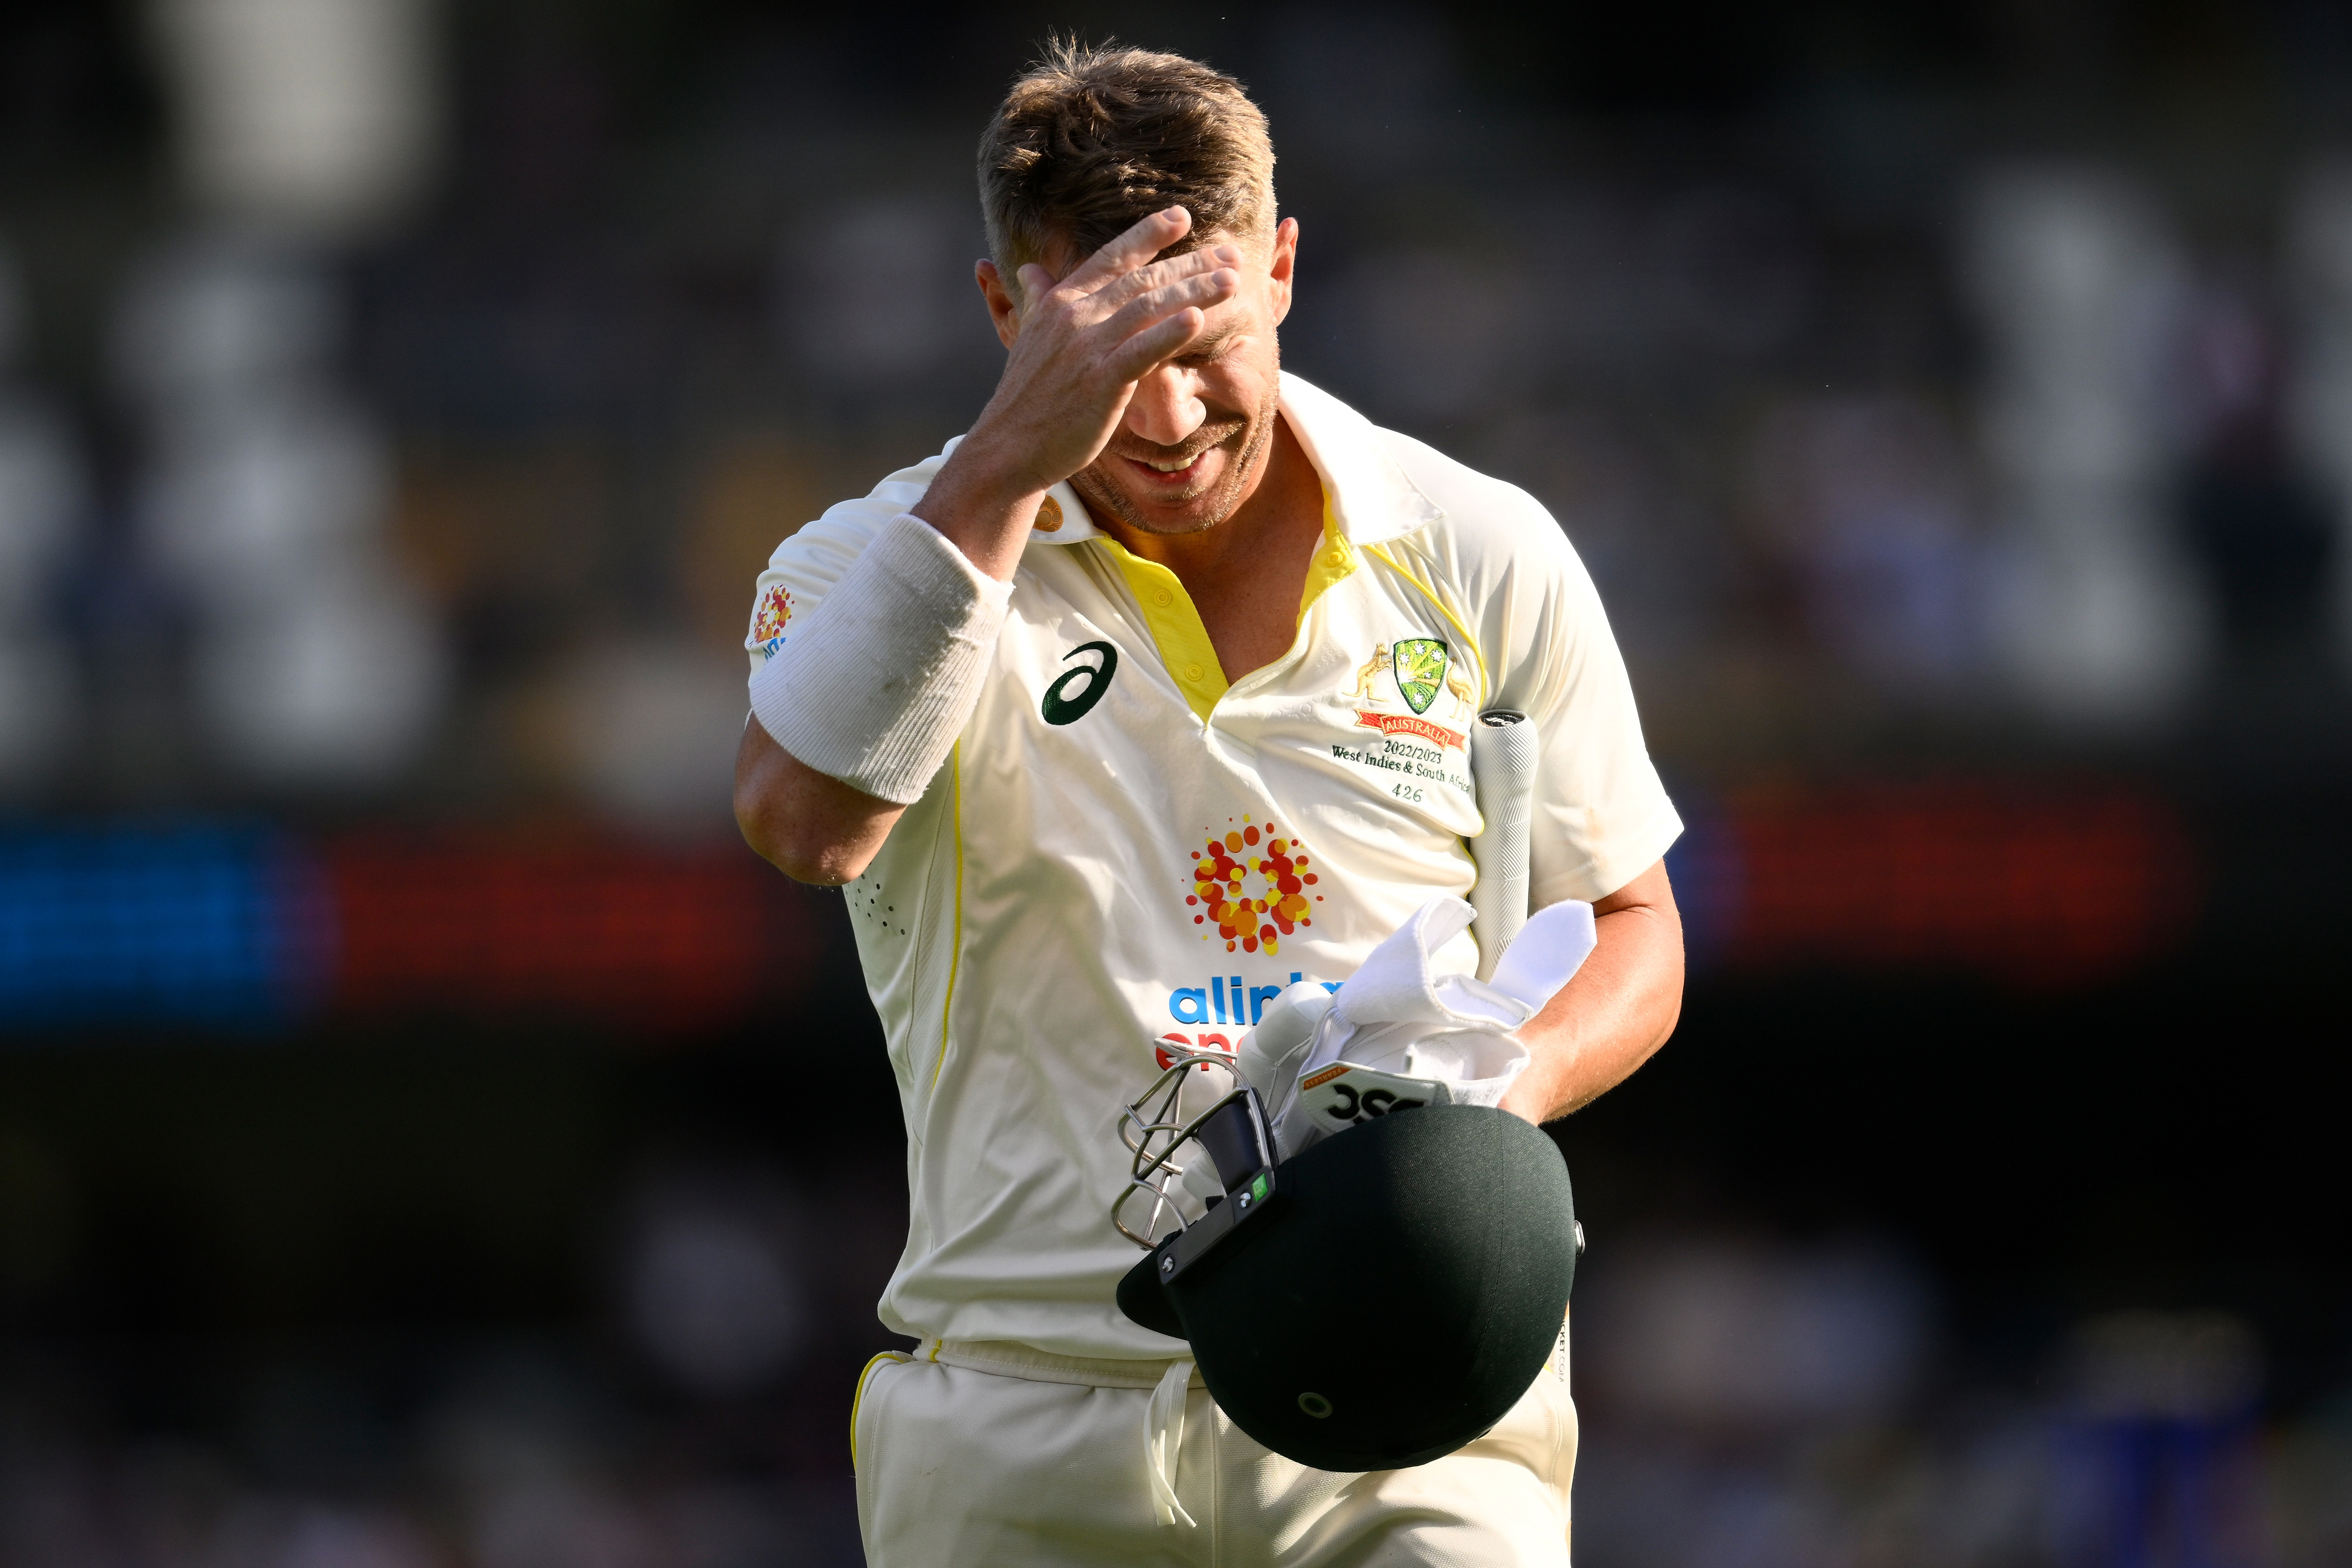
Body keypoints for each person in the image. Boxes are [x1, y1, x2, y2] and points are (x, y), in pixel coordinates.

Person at [733, 39, 1685, 1568]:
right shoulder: (867, 562)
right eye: (1110, 345)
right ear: (1006, 316)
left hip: (1414, 1401)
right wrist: (1003, 467)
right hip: (1025, 1414)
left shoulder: (1483, 547)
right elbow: (803, 824)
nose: (1168, 415)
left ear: (1287, 269)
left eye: (1205, 330)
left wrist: (1497, 1098)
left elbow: (1632, 921)